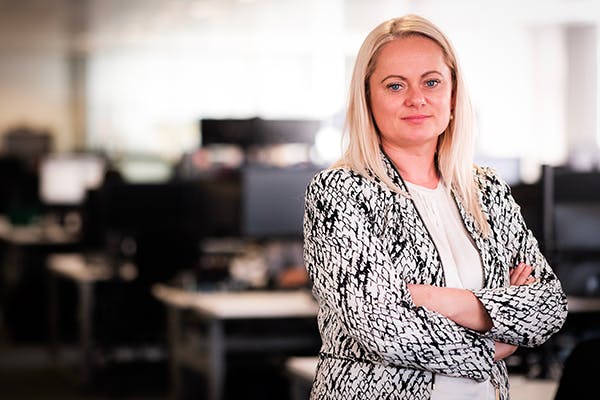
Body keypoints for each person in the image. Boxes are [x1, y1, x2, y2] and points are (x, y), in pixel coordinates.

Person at [302, 14, 568, 400]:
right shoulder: (340, 192)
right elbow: (386, 329)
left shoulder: (486, 189)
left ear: (453, 94)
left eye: (432, 82)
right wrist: (498, 345)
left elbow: (548, 306)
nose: (417, 99)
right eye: (395, 86)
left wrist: (438, 299)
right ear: (367, 98)